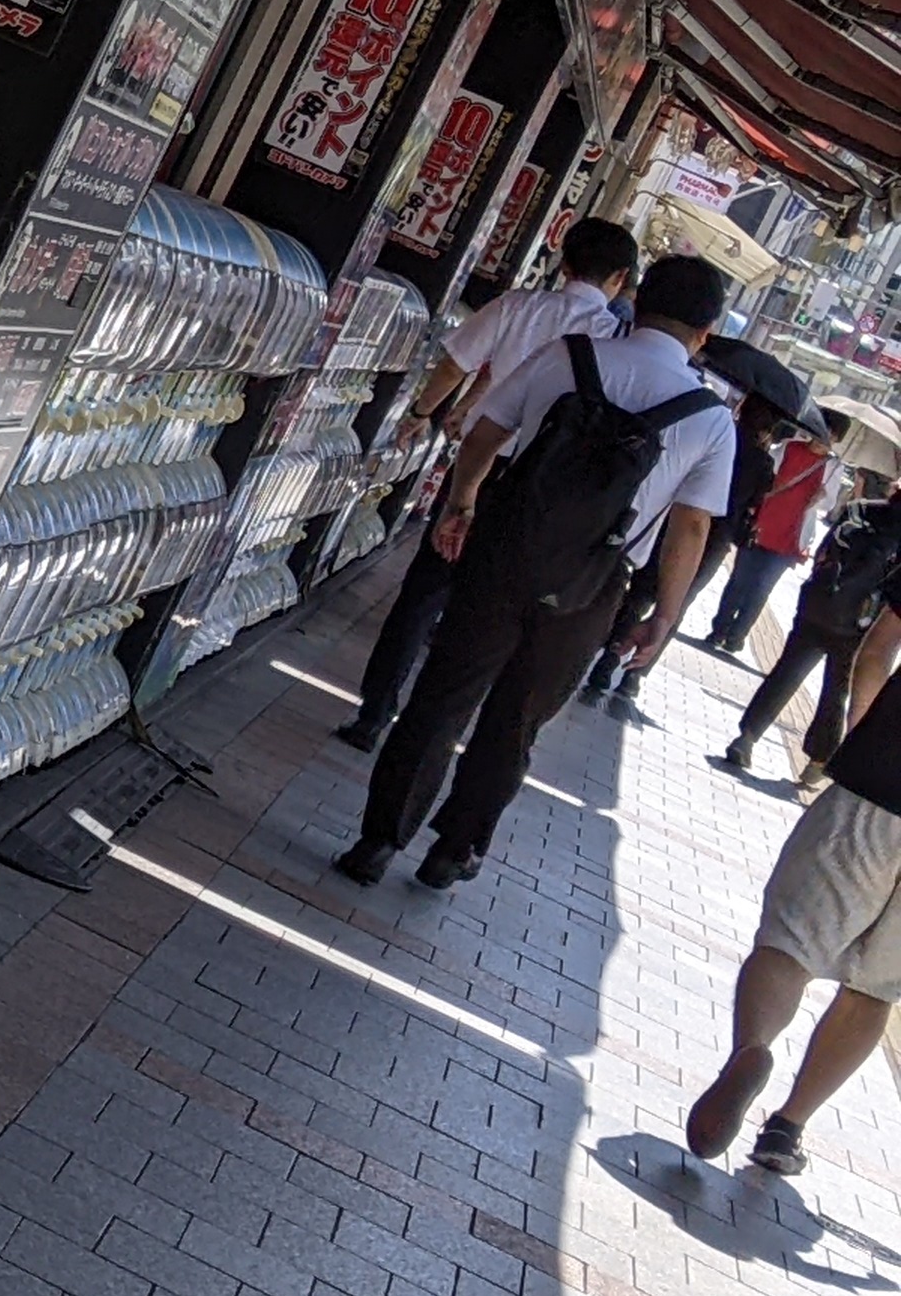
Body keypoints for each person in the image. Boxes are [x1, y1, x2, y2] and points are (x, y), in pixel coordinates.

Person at [337, 255, 740, 889]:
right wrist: (664, 615)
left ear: (634, 300)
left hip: (503, 552)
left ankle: (378, 841)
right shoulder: (711, 420)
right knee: (516, 722)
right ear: (707, 332)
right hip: (594, 586)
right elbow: (690, 528)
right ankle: (454, 850)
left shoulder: (567, 355)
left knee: (441, 700)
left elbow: (481, 433)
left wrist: (463, 503)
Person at [339, 217, 642, 749]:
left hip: (478, 466)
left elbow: (457, 362)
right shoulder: (614, 339)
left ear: (563, 261)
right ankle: (437, 730)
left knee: (424, 591)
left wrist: (421, 412)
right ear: (620, 277)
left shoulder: (519, 306)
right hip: (544, 490)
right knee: (489, 608)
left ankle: (374, 713)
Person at [690, 594, 901, 1173]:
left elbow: (879, 648)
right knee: (876, 986)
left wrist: (866, 730)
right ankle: (786, 1128)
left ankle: (752, 1049)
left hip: (881, 779)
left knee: (790, 942)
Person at [582, 397, 793, 707]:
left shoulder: (716, 437)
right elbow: (755, 501)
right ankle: (634, 677)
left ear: (741, 411)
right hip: (712, 543)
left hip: (675, 525)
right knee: (676, 604)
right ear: (768, 428)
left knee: (639, 594)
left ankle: (607, 662)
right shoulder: (762, 464)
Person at [717, 475, 901, 780]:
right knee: (835, 691)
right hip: (860, 625)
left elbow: (825, 552)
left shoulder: (859, 509)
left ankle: (746, 737)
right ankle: (818, 762)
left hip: (818, 606)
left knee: (786, 670)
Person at [706, 421, 835, 651]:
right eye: (821, 432)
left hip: (791, 538)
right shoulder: (789, 447)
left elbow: (831, 502)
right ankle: (718, 630)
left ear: (836, 439)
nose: (822, 439)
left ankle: (736, 636)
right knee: (738, 581)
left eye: (830, 436)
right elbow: (766, 476)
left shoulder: (834, 467)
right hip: (762, 525)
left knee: (761, 588)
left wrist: (821, 499)